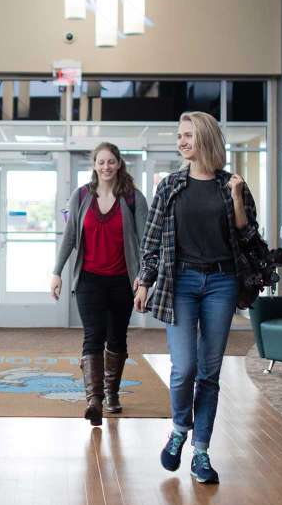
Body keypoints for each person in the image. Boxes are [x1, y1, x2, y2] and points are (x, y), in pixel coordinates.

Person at [134, 111, 260, 485]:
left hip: (222, 283)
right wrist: (144, 280)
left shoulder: (232, 185)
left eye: (187, 135)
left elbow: (248, 234)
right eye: (179, 136)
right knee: (184, 367)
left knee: (209, 372)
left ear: (204, 138)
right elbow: (152, 239)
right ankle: (178, 430)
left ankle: (201, 451)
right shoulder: (171, 186)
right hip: (182, 282)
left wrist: (237, 197)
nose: (181, 141)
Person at [51, 143, 148, 426]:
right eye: (101, 162)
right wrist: (56, 272)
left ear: (119, 164)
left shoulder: (133, 199)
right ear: (94, 165)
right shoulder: (81, 196)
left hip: (122, 281)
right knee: (93, 336)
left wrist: (143, 281)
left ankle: (112, 393)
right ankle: (94, 400)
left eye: (111, 162)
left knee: (116, 338)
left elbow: (144, 245)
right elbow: (70, 236)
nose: (106, 167)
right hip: (89, 281)